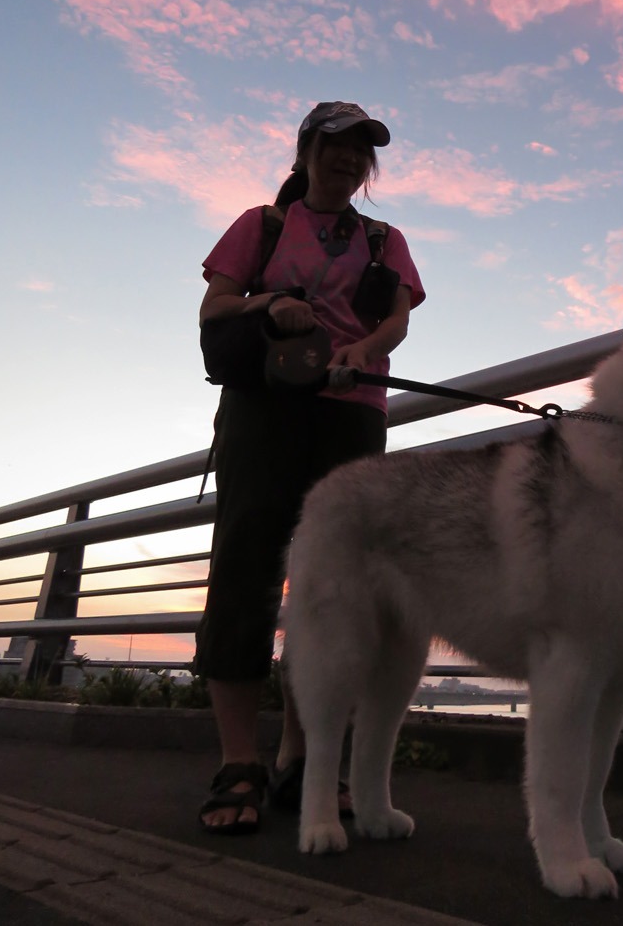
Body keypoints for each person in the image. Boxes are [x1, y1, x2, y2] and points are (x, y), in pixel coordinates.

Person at [195, 101, 425, 833]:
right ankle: (241, 761)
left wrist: (366, 350)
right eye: (336, 146)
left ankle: (303, 758)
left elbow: (397, 319)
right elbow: (214, 307)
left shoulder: (385, 239)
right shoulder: (261, 224)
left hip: (352, 412)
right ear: (305, 150)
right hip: (264, 410)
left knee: (334, 584)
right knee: (245, 567)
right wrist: (273, 304)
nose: (349, 160)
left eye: (362, 150)